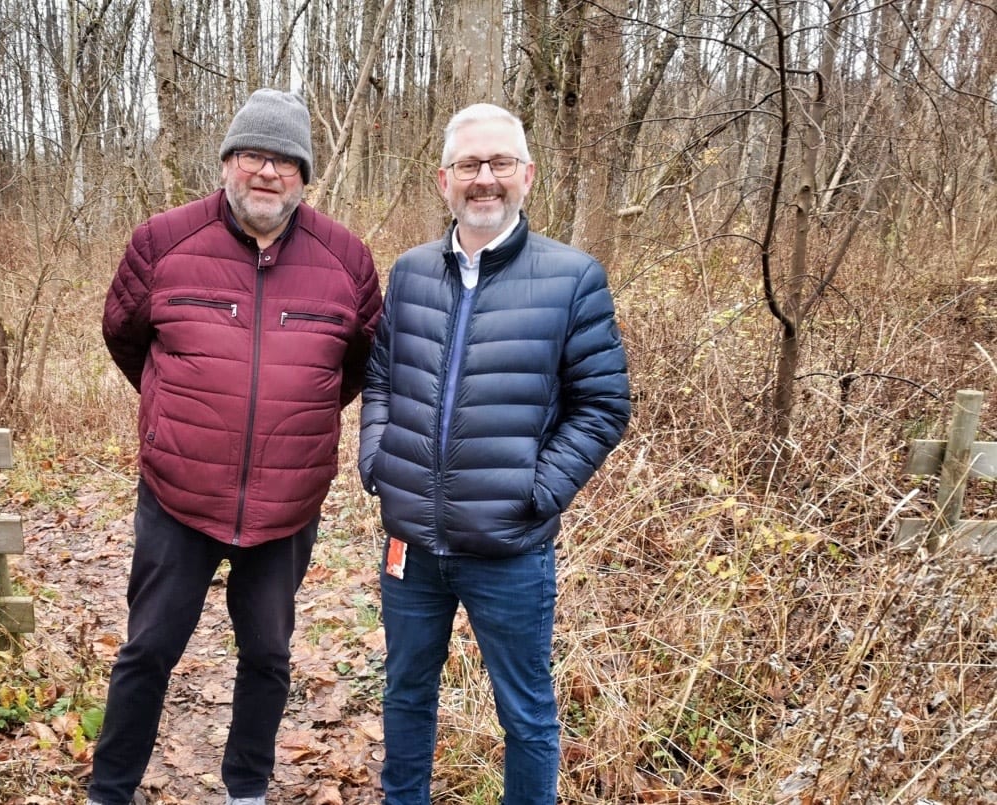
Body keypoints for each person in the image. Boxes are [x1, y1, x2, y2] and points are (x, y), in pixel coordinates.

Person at [90, 88, 382, 805]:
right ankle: (110, 789)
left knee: (269, 656)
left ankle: (245, 790)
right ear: (227, 161)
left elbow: (358, 363)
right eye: (254, 154)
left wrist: (295, 417)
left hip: (287, 501)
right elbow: (126, 336)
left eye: (286, 160)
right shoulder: (163, 242)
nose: (267, 173)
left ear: (305, 175)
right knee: (148, 650)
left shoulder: (345, 258)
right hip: (179, 493)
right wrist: (176, 414)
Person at [359, 103, 630, 804]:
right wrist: (378, 461)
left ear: (527, 175)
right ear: (443, 179)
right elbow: (382, 379)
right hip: (411, 544)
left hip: (510, 549)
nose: (485, 179)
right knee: (406, 692)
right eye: (469, 165)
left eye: (500, 163)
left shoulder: (572, 278)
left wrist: (536, 490)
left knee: (527, 714)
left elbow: (602, 405)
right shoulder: (412, 272)